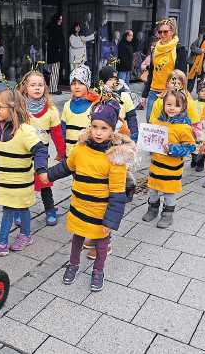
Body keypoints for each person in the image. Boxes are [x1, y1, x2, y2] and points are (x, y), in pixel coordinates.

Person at [40, 100, 136, 292]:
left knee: (101, 243)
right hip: (80, 206)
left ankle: (98, 270)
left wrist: (111, 220)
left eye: (104, 128)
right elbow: (67, 166)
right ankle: (73, 264)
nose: (98, 132)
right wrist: (48, 175)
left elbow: (118, 193)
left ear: (112, 130)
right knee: (77, 238)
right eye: (94, 127)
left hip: (101, 212)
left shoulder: (115, 157)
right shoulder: (81, 149)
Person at [0, 90, 48, 256]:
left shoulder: (25, 131)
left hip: (20, 182)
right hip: (5, 182)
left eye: (0, 107)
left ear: (14, 108)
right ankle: (26, 235)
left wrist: (41, 170)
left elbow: (40, 150)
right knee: (22, 209)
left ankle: (2, 244)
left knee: (9, 211)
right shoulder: (0, 130)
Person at [18, 71, 66, 226]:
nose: (37, 88)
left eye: (40, 85)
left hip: (41, 153)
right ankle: (21, 211)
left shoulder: (51, 110)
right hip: (23, 153)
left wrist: (61, 152)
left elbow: (57, 134)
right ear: (25, 87)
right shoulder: (19, 108)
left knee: (44, 181)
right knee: (23, 183)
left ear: (45, 87)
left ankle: (50, 209)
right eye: (33, 85)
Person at [142, 90, 195, 228]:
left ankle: (167, 215)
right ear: (163, 105)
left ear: (183, 107)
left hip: (171, 169)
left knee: (169, 193)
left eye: (177, 105)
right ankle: (152, 209)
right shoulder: (158, 122)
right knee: (153, 190)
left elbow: (190, 147)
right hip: (156, 165)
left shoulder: (184, 127)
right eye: (169, 104)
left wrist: (172, 149)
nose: (172, 108)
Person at [141, 18, 188, 122]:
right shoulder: (155, 49)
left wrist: (181, 93)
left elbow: (182, 75)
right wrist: (144, 95)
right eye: (160, 32)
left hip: (171, 92)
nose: (162, 34)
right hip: (153, 91)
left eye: (165, 32)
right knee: (150, 122)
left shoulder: (179, 49)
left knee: (168, 123)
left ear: (172, 32)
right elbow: (151, 74)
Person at [61, 65, 98, 156]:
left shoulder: (94, 105)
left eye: (81, 83)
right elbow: (63, 130)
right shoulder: (67, 105)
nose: (77, 87)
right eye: (73, 83)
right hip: (69, 155)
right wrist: (61, 150)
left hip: (86, 156)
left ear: (87, 84)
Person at [98, 65, 139, 142]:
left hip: (121, 134)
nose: (114, 82)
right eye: (110, 80)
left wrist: (134, 134)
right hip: (103, 134)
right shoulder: (99, 96)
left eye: (115, 79)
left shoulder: (125, 95)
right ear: (102, 82)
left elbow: (131, 116)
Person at [191, 81, 205, 172]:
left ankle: (200, 163)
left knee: (204, 145)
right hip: (195, 125)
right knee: (194, 144)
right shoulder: (193, 103)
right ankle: (194, 158)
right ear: (198, 92)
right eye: (202, 90)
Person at [47, 13, 66, 95]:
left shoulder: (53, 28)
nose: (61, 21)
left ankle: (53, 87)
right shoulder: (55, 28)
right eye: (60, 19)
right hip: (55, 53)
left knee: (55, 71)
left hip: (55, 53)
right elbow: (56, 41)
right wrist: (59, 49)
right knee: (55, 71)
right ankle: (53, 88)